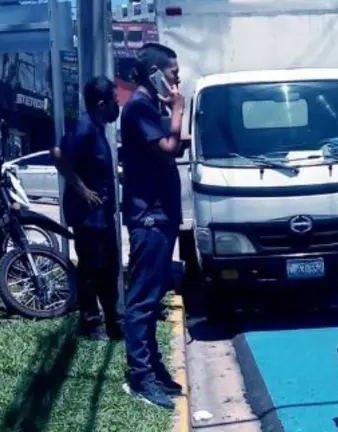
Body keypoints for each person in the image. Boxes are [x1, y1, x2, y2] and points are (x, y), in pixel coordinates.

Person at [120, 42, 185, 409]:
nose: (178, 80)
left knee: (153, 295)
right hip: (149, 218)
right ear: (156, 73)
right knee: (142, 299)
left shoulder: (149, 107)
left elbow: (168, 146)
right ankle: (140, 377)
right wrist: (178, 110)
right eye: (173, 73)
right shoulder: (139, 108)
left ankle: (153, 368)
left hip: (161, 216)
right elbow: (167, 148)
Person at [53, 76, 122, 341]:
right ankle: (91, 323)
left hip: (102, 216)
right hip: (88, 217)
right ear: (101, 103)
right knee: (91, 270)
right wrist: (83, 190)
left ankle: (112, 319)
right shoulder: (83, 127)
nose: (117, 106)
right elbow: (58, 154)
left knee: (109, 267)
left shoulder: (97, 127)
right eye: (114, 101)